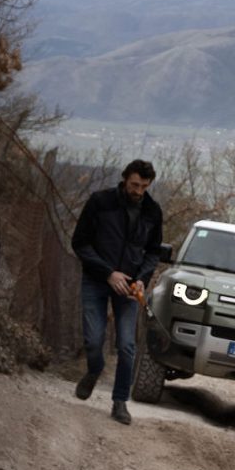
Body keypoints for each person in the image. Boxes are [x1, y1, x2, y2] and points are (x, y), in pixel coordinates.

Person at [71, 161, 163, 424]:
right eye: (135, 185)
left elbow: (153, 251)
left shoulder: (152, 211)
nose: (139, 191)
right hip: (96, 280)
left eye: (144, 187)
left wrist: (143, 279)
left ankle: (120, 402)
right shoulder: (100, 202)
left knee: (127, 346)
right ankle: (94, 370)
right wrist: (107, 273)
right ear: (124, 179)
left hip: (130, 288)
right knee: (93, 339)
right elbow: (80, 242)